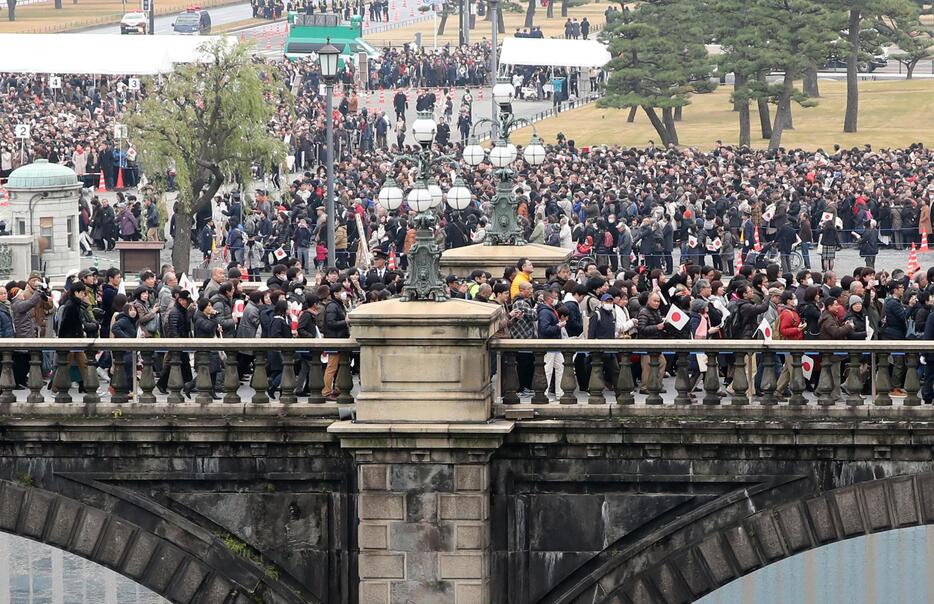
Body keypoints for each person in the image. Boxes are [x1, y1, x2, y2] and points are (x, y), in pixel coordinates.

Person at [157, 289, 194, 397]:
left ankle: (188, 383)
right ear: (181, 300)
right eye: (186, 301)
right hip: (177, 342)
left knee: (183, 363)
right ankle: (162, 383)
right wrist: (177, 341)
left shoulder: (183, 311)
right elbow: (173, 329)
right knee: (174, 363)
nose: (187, 303)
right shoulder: (175, 312)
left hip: (181, 341)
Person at [320, 283, 350, 401]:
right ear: (335, 293)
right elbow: (331, 323)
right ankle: (326, 391)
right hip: (334, 339)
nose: (344, 293)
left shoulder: (339, 305)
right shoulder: (332, 306)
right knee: (332, 366)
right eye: (341, 291)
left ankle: (336, 388)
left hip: (340, 338)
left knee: (339, 366)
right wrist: (345, 322)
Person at [265, 299, 293, 399]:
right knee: (285, 370)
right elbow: (275, 335)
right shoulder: (278, 320)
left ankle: (278, 389)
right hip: (278, 351)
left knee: (277, 371)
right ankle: (272, 385)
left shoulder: (281, 319)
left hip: (278, 350)